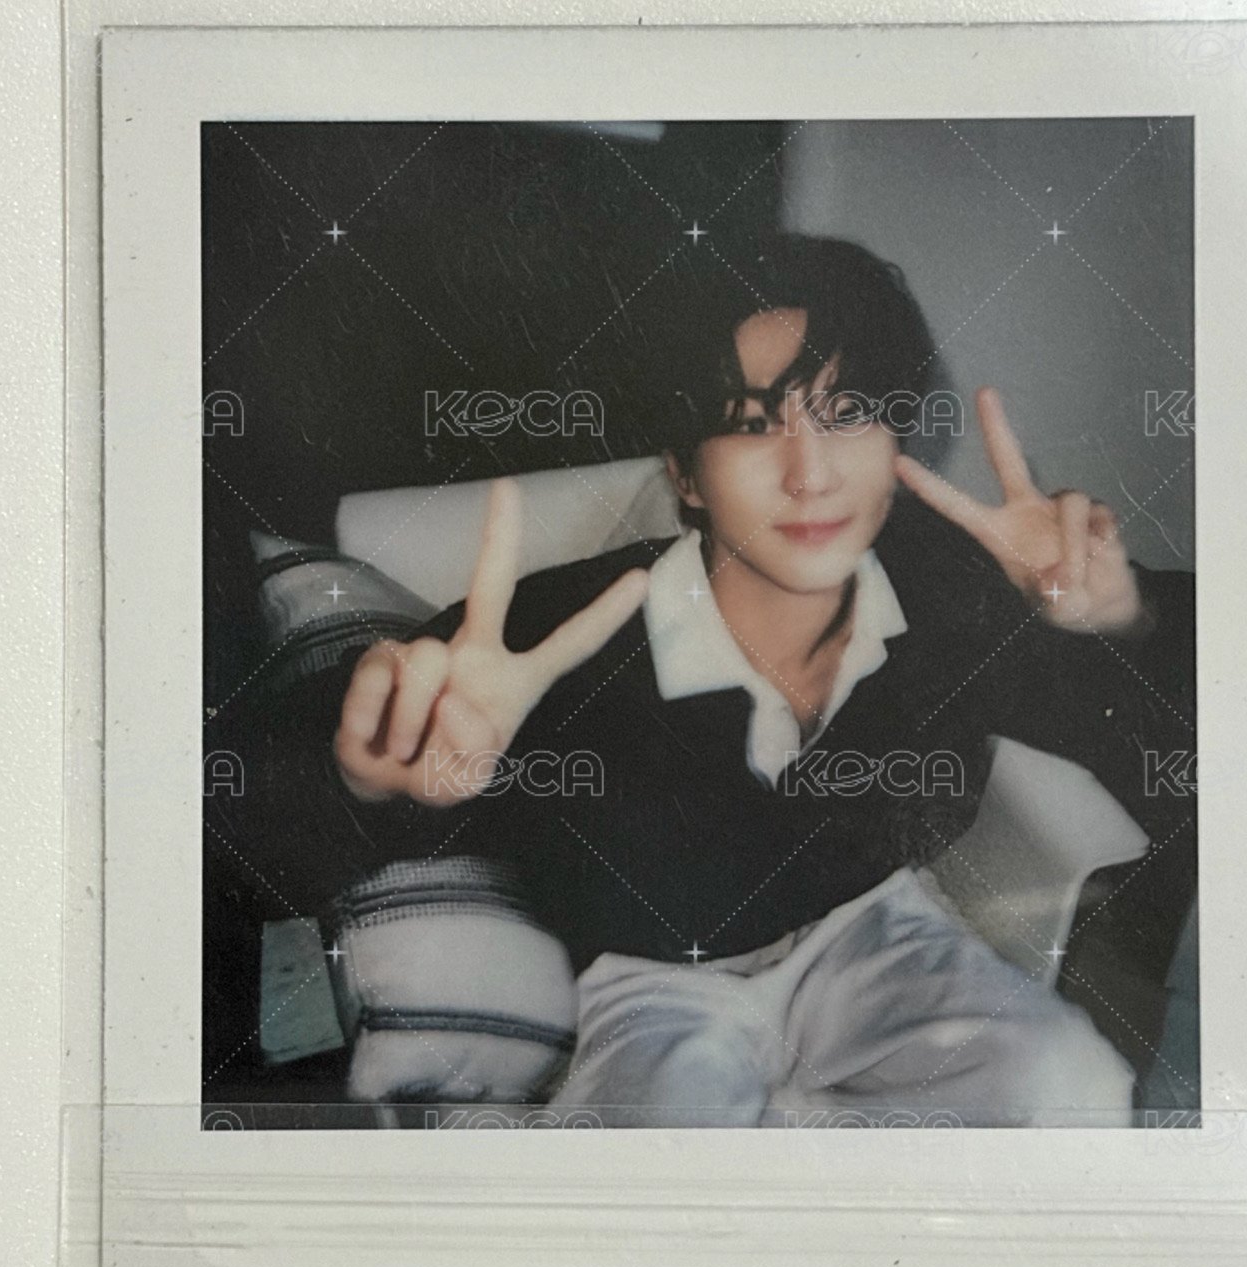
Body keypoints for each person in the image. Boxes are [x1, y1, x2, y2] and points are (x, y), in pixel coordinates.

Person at [264, 232, 1196, 1126]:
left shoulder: (947, 591)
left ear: (895, 448)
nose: (809, 475)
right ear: (686, 476)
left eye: (846, 416)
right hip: (657, 980)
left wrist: (1124, 618)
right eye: (752, 425)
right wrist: (365, 776)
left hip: (871, 930)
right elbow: (249, 800)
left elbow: (1199, 709)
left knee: (1070, 1080)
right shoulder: (566, 630)